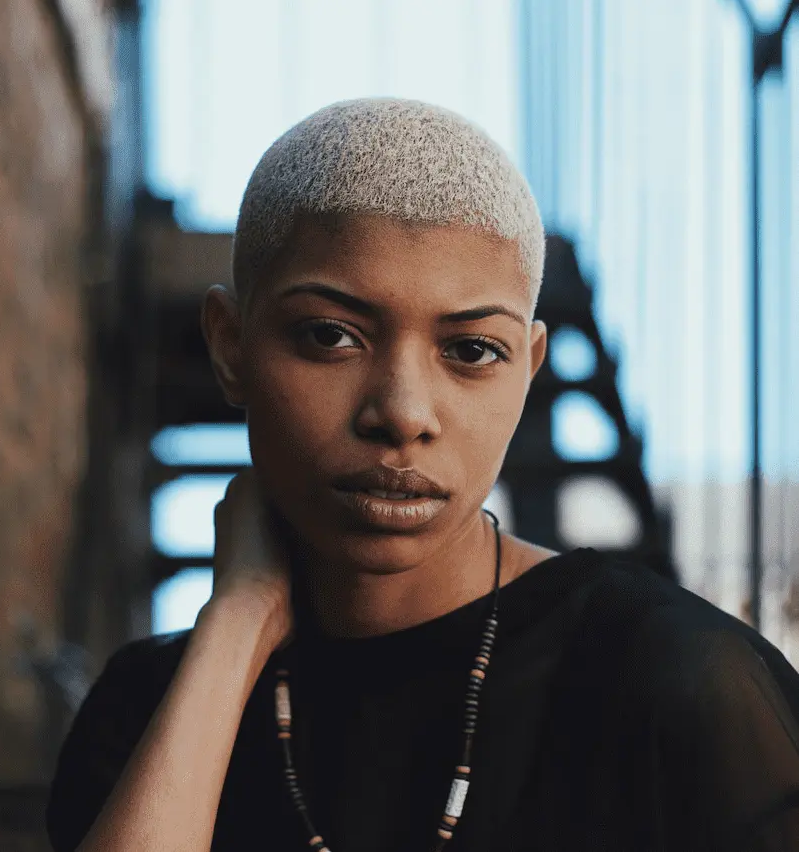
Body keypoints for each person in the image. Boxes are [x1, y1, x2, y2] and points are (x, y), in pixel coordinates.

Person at [45, 99, 799, 852]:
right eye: (330, 335)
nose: (402, 413)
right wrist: (236, 625)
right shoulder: (149, 706)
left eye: (471, 351)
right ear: (230, 347)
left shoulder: (678, 681)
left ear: (528, 371)